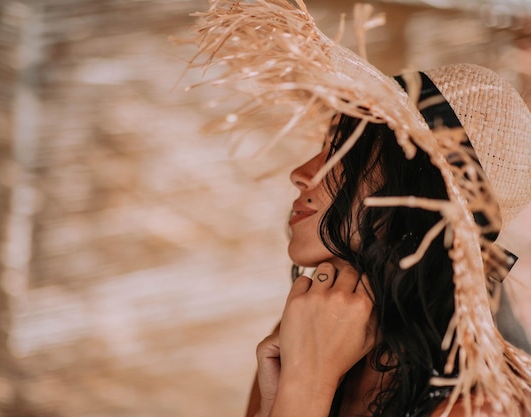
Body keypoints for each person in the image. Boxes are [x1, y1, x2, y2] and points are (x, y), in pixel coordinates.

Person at [184, 1, 531, 416]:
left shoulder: (482, 408)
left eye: (342, 159)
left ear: (413, 198)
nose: (299, 172)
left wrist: (307, 384)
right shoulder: (311, 320)